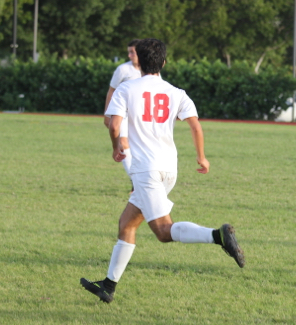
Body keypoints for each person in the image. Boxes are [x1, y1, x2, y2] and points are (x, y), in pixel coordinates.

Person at [81, 38, 245, 303]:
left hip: (146, 170)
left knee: (163, 232)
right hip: (169, 169)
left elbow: (113, 126)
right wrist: (202, 158)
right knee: (127, 224)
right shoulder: (176, 92)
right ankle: (108, 287)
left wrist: (115, 148)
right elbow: (195, 126)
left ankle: (218, 236)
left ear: (139, 62)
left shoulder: (127, 89)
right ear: (164, 63)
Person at [104, 39, 142, 180]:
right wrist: (107, 113)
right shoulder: (123, 69)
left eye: (133, 52)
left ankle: (140, 179)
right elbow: (111, 90)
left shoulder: (149, 70)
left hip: (140, 114)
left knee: (139, 146)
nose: (130, 55)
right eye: (129, 52)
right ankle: (136, 180)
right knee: (123, 142)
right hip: (123, 112)